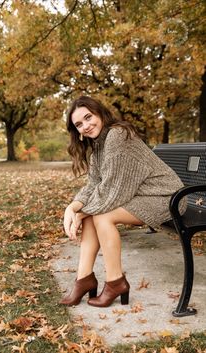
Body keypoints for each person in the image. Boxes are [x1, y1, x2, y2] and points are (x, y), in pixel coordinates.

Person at [60, 95, 186, 308]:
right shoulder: (98, 148)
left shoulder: (117, 136)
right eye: (79, 124)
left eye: (88, 117)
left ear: (99, 113)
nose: (86, 126)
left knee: (101, 216)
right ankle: (84, 279)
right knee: (94, 214)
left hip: (167, 197)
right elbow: (94, 185)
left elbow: (113, 190)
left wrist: (81, 214)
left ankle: (115, 281)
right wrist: (72, 207)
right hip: (143, 196)